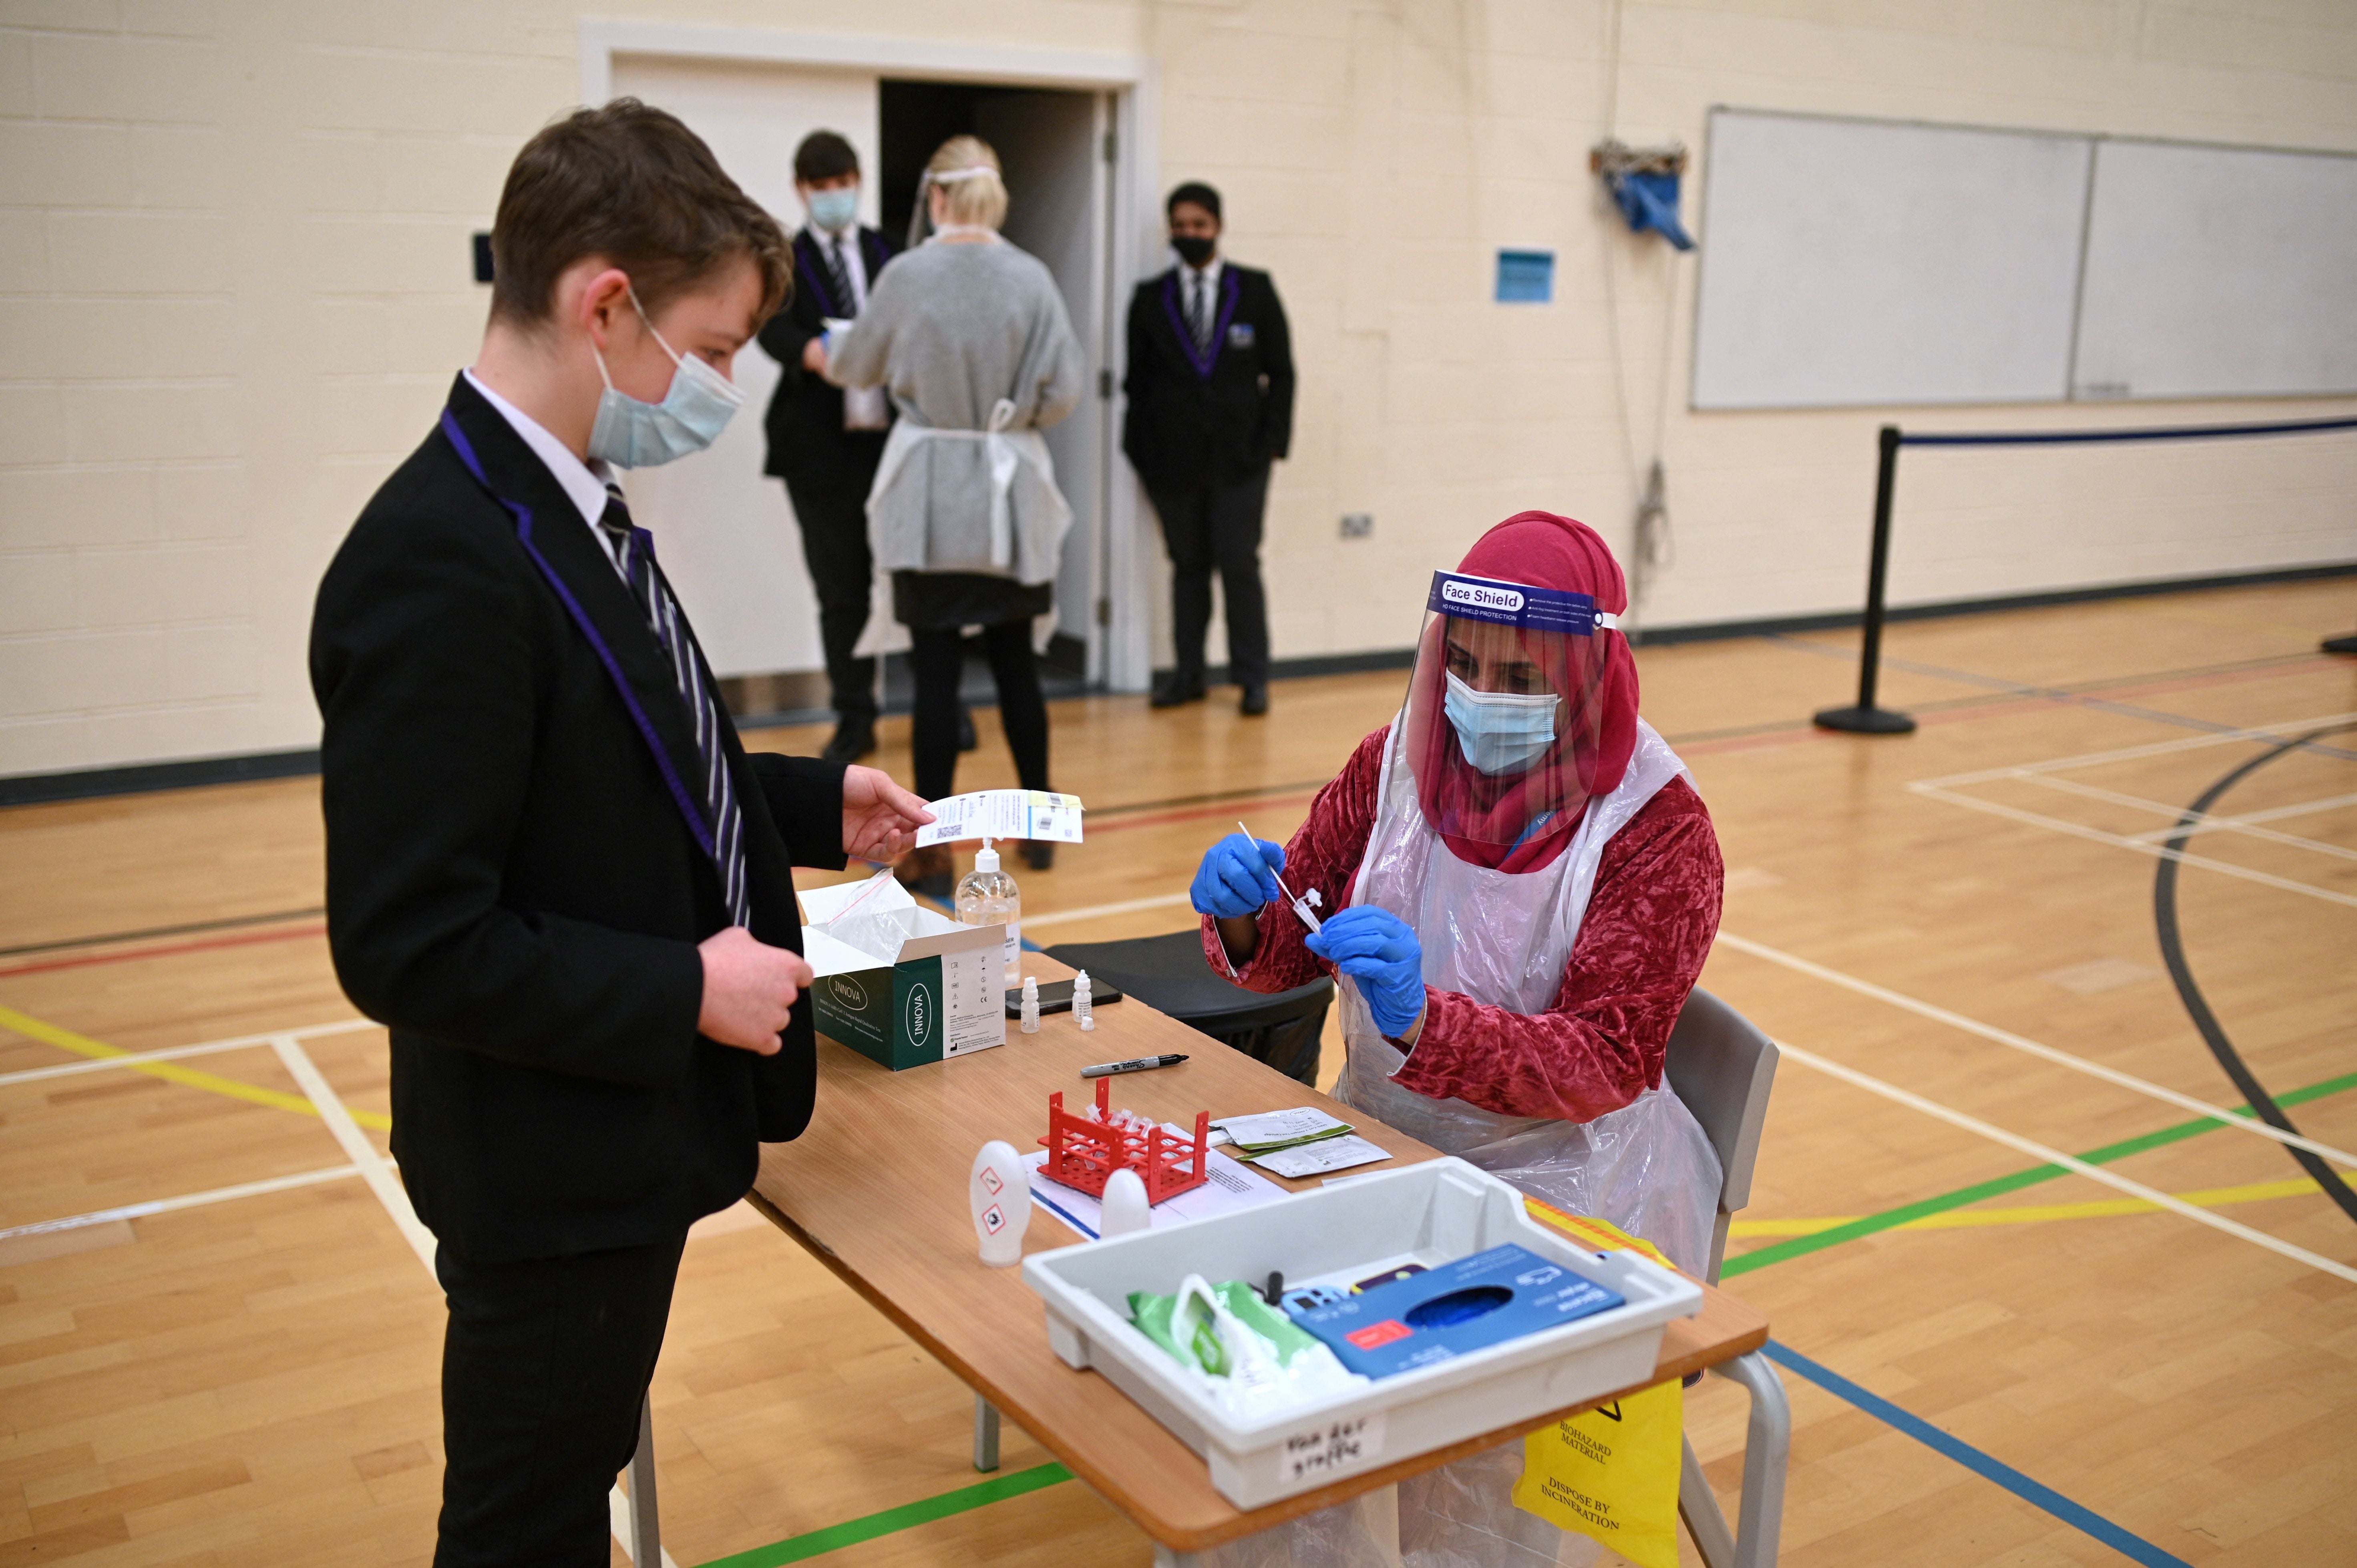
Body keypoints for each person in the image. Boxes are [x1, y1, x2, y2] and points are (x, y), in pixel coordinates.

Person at [309, 101, 932, 1567]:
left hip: (619, 1144)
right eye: (711, 352)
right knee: (529, 1519)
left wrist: (796, 801)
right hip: (548, 1171)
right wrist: (682, 989)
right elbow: (410, 939)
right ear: (606, 305)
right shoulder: (437, 557)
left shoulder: (562, 502)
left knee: (570, 1476)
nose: (719, 386)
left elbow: (608, 761)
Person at [1187, 511, 1724, 1566]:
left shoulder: (1657, 829)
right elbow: (1294, 938)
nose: (1481, 696)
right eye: (1465, 664)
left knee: (1465, 1480)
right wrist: (1251, 912)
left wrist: (1427, 1020)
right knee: (1273, 1382)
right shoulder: (1394, 764)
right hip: (1384, 1142)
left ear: (1590, 669)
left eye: (1521, 677)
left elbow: (1606, 1061)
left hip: (1572, 1183)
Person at [825, 135, 1086, 894]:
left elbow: (853, 367)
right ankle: (1040, 830)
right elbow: (1064, 388)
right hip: (1009, 491)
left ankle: (931, 842)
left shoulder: (905, 275)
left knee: (934, 672)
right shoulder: (1031, 277)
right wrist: (1013, 413)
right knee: (1015, 666)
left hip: (929, 490)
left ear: (935, 197)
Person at [1124, 181, 1295, 716]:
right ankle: (1188, 676)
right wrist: (1143, 457)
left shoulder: (1255, 289)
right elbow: (1137, 384)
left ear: (1217, 227)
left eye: (1198, 226)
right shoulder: (1151, 299)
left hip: (1240, 464)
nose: (1188, 235)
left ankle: (1252, 679)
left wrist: (1271, 446)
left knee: (1239, 567)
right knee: (1187, 569)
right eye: (1179, 227)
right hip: (1172, 466)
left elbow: (1282, 373)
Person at [756, 130, 898, 764]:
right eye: (822, 187)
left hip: (894, 442)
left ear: (858, 181)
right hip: (819, 447)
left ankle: (938, 708)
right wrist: (809, 352)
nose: (835, 196)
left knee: (912, 579)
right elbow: (771, 328)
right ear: (802, 190)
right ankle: (854, 713)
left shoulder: (887, 250)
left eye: (844, 184)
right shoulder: (784, 259)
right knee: (840, 588)